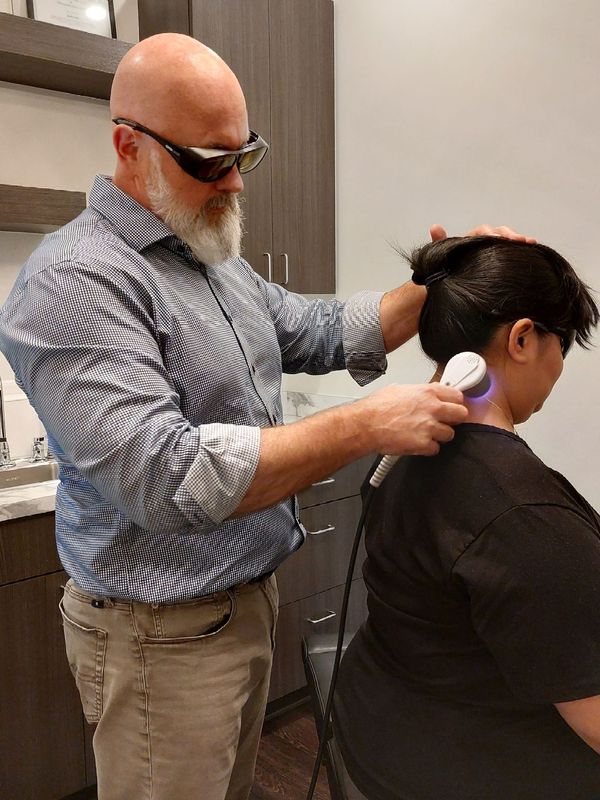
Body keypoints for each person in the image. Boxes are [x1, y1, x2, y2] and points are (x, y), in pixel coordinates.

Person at [0, 32, 528, 800]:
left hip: (243, 603)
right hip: (160, 637)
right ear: (129, 145)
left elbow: (315, 328)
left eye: (243, 157)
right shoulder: (77, 282)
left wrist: (439, 286)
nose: (234, 186)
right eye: (210, 163)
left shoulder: (206, 256)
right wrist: (365, 425)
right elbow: (166, 478)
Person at [333, 235, 600, 800]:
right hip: (468, 770)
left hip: (376, 735)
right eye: (562, 346)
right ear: (523, 339)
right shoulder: (524, 518)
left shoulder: (402, 456)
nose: (558, 369)